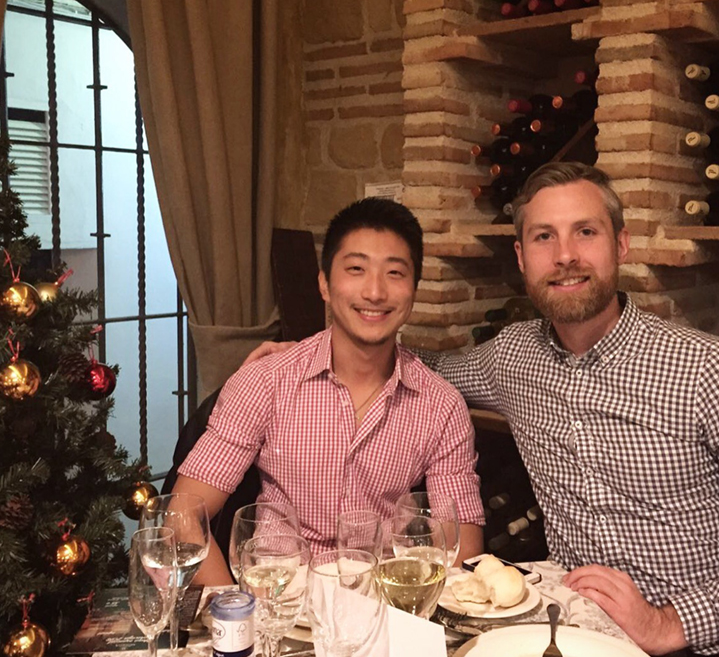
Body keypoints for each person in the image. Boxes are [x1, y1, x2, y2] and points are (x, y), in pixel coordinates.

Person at [246, 163, 719, 657]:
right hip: (566, 637)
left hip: (704, 649)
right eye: (545, 238)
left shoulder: (711, 369)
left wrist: (671, 623)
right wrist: (308, 347)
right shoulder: (514, 357)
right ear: (522, 257)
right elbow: (418, 366)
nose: (566, 255)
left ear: (620, 245)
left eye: (586, 232)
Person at [171, 197, 485, 586]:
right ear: (324, 283)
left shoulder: (441, 406)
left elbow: (461, 551)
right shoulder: (266, 380)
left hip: (384, 606)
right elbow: (183, 515)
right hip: (278, 602)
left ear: (414, 289)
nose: (374, 291)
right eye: (356, 269)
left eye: (395, 273)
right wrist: (236, 611)